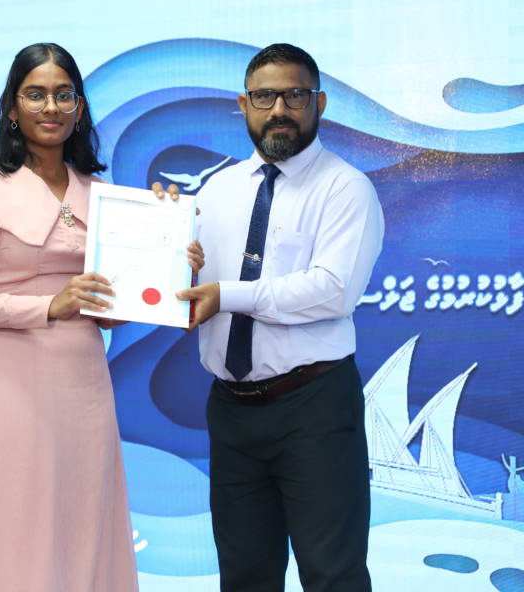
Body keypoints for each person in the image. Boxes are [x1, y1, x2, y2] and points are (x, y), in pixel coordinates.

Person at [0, 43, 204, 591]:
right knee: (20, 522)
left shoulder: (103, 194)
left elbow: (110, 309)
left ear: (79, 108)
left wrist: (173, 261)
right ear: (11, 108)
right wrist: (49, 305)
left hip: (83, 386)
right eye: (35, 94)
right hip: (10, 389)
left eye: (64, 95)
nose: (51, 107)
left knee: (83, 522)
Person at [157, 43, 383, 591]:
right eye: (264, 97)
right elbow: (189, 287)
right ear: (244, 104)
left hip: (314, 407)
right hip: (231, 410)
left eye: (294, 96)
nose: (279, 109)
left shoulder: (345, 187)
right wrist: (158, 234)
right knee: (244, 577)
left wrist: (226, 295)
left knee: (333, 575)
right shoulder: (217, 189)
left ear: (319, 103)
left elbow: (332, 292)